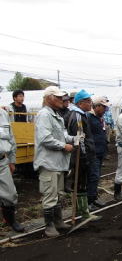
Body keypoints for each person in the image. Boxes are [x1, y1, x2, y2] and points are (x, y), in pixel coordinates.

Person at [34, 86, 75, 237]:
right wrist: (64, 146)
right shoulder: (44, 115)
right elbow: (45, 139)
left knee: (58, 193)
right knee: (50, 195)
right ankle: (49, 226)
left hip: (58, 162)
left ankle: (58, 221)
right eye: (58, 97)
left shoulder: (56, 115)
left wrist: (73, 139)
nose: (61, 100)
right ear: (49, 98)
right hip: (49, 162)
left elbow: (62, 135)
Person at [65, 89, 101, 221]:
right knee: (79, 183)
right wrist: (85, 156)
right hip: (80, 156)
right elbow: (80, 139)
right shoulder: (77, 116)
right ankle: (83, 212)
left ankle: (83, 211)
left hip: (83, 155)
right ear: (80, 103)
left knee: (82, 183)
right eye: (88, 101)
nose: (91, 103)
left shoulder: (81, 114)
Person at [0, 104, 24, 233]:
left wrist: (12, 160)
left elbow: (11, 138)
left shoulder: (3, 114)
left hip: (2, 161)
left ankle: (10, 221)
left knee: (10, 194)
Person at [87, 96, 110, 210]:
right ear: (97, 106)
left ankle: (94, 198)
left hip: (100, 151)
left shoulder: (98, 118)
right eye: (104, 107)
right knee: (93, 176)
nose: (105, 110)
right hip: (93, 152)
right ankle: (89, 201)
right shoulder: (89, 118)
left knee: (97, 176)